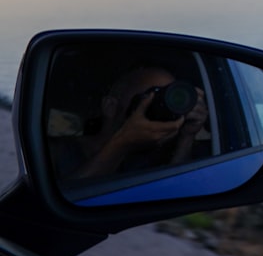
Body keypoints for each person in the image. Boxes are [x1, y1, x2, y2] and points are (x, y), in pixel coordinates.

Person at [52, 66, 209, 181]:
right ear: (110, 106)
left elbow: (176, 190)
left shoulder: (157, 156)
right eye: (152, 95)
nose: (162, 104)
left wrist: (187, 136)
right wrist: (123, 142)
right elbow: (69, 194)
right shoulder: (56, 151)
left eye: (169, 97)